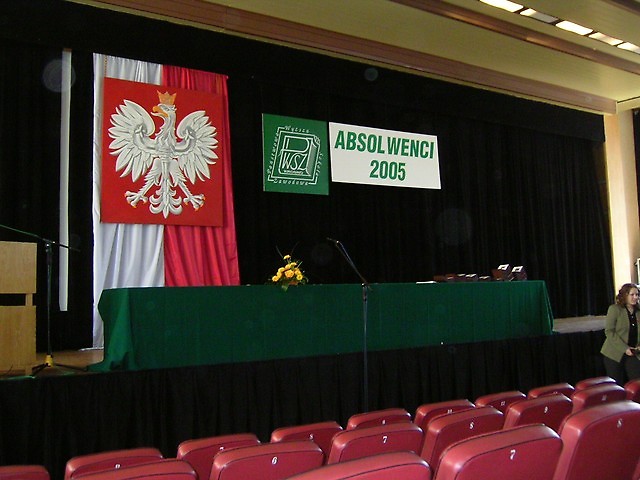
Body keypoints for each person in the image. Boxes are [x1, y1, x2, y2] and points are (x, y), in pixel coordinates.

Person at [601, 283, 640, 384]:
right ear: (625, 295)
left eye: (637, 295)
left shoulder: (638, 311)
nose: (635, 297)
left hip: (633, 352)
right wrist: (625, 348)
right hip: (614, 353)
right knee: (617, 384)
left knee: (636, 382)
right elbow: (609, 331)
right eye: (632, 295)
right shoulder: (615, 309)